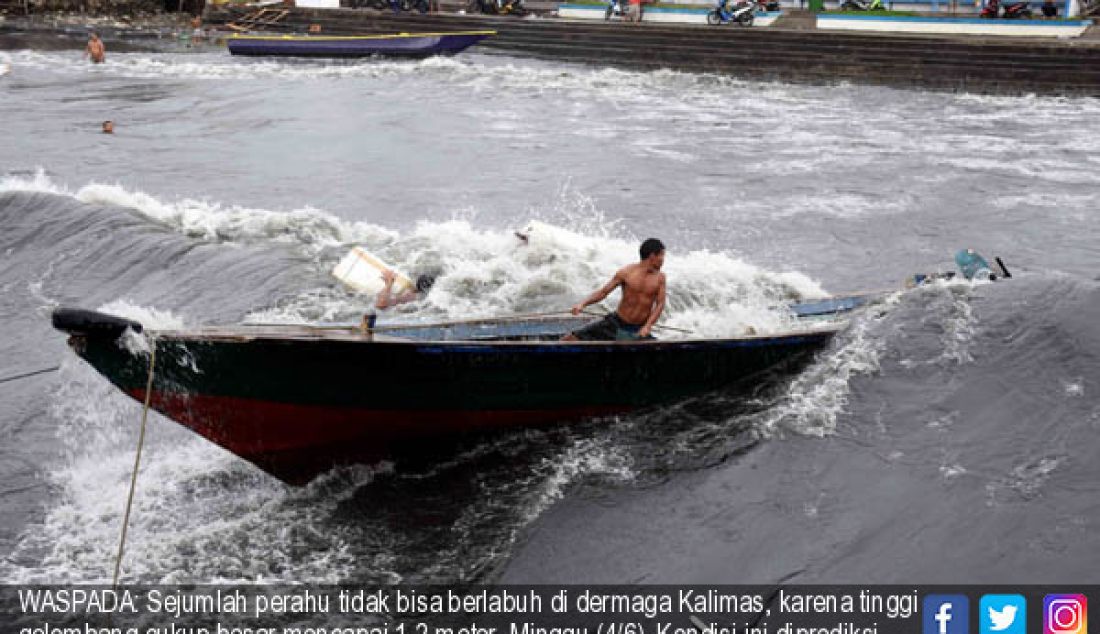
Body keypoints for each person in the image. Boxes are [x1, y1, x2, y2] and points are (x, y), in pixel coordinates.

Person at [563, 238, 666, 341]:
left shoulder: (660, 278)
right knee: (570, 338)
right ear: (652, 256)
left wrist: (648, 326)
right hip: (616, 323)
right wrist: (582, 304)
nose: (663, 259)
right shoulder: (626, 272)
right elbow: (603, 292)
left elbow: (660, 304)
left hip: (639, 328)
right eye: (661, 255)